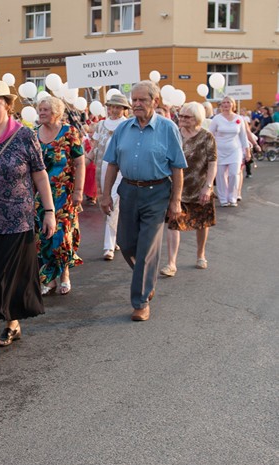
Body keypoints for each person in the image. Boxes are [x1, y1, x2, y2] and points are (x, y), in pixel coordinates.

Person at [0, 80, 55, 361]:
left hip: (17, 219)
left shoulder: (25, 136)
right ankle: (13, 324)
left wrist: (50, 211)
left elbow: (40, 174)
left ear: (8, 104)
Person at [100, 80, 186, 322]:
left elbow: (178, 168)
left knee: (147, 247)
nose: (136, 104)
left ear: (154, 102)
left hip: (157, 193)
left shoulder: (168, 128)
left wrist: (175, 202)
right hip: (128, 191)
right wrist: (105, 194)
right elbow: (112, 164)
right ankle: (146, 277)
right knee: (125, 243)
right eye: (134, 100)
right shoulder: (123, 129)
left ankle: (140, 301)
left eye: (142, 100)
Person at [160, 102, 218, 277]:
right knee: (173, 224)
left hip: (199, 188)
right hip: (177, 189)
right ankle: (171, 263)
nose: (182, 119)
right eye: (181, 116)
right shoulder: (175, 135)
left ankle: (200, 254)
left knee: (202, 223)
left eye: (187, 117)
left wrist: (208, 187)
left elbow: (212, 163)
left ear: (197, 119)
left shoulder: (207, 137)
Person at [35, 96, 85, 295]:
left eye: (45, 109)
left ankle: (64, 273)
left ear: (56, 111)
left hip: (65, 194)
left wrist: (79, 192)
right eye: (40, 109)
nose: (41, 112)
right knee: (44, 235)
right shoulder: (34, 134)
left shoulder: (69, 132)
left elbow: (80, 163)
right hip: (40, 195)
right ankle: (49, 277)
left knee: (62, 235)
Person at [89, 93, 129, 260]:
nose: (114, 110)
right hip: (103, 168)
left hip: (121, 170)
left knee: (113, 202)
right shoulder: (100, 125)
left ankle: (108, 246)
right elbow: (94, 148)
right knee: (108, 204)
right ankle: (116, 238)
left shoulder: (127, 125)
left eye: (118, 107)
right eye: (111, 106)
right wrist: (81, 162)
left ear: (124, 109)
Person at [209, 96, 250, 207]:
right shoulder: (217, 119)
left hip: (235, 150)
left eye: (228, 102)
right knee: (221, 175)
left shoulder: (239, 118)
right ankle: (223, 199)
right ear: (221, 105)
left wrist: (247, 151)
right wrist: (208, 149)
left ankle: (232, 197)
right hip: (220, 150)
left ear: (233, 104)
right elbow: (210, 135)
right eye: (224, 103)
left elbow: (243, 136)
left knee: (233, 174)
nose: (226, 104)